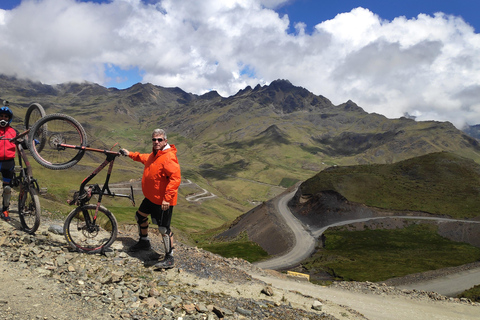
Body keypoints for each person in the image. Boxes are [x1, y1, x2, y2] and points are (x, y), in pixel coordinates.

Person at [120, 128, 181, 269]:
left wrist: (167, 198)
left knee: (163, 229)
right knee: (140, 217)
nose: (156, 142)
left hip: (163, 201)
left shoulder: (168, 157)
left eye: (159, 139)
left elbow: (175, 178)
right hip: (151, 198)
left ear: (165, 140)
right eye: (154, 139)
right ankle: (144, 241)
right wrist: (129, 154)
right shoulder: (155, 155)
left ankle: (170, 258)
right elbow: (143, 157)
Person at [0, 101, 17, 221]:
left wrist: (32, 141)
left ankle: (5, 209)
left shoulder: (14, 131)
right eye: (1, 116)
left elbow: (23, 142)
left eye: (6, 116)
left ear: (9, 118)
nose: (3, 118)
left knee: (7, 188)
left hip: (8, 163)